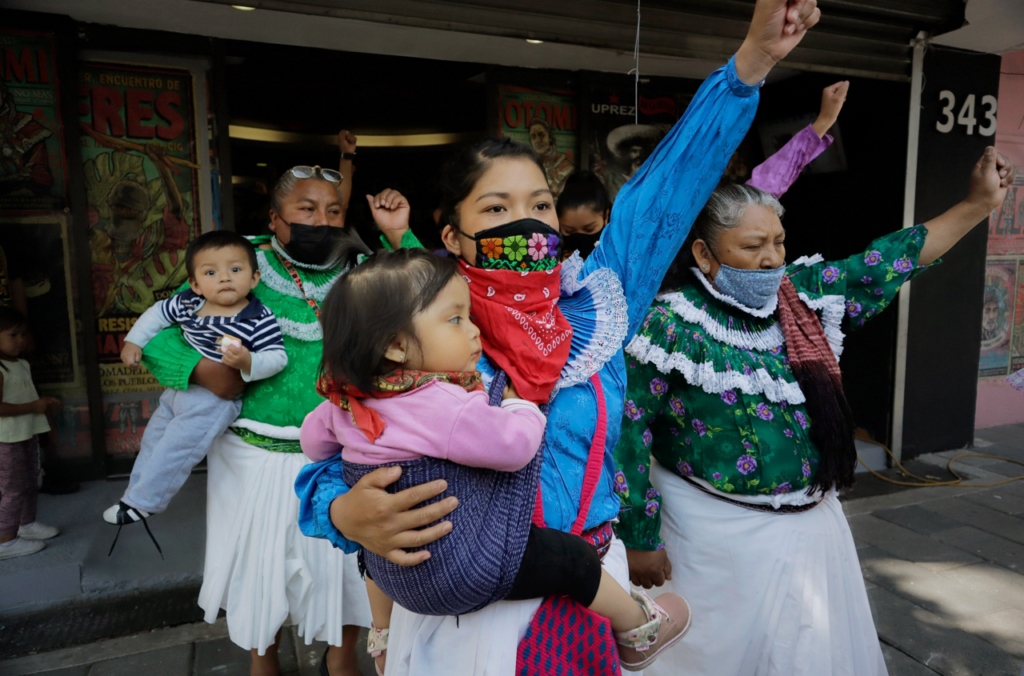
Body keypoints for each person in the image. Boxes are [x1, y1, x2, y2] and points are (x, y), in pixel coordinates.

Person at [296, 2, 823, 673]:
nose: (527, 224)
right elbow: (329, 454)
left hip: (589, 594)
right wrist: (346, 516)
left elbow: (664, 192)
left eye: (539, 205)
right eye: (496, 209)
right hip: (464, 615)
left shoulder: (598, 301)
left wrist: (751, 63)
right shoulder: (421, 325)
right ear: (451, 235)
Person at [613, 147, 1016, 676]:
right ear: (704, 254)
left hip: (813, 528)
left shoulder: (802, 296)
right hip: (709, 539)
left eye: (779, 242)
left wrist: (977, 204)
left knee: (812, 652)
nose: (772, 259)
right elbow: (627, 431)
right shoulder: (667, 324)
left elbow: (886, 263)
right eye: (753, 246)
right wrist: (640, 537)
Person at [302, 248, 690, 674]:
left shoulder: (347, 401)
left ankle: (383, 636)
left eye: (469, 316)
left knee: (378, 533)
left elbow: (314, 445)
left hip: (401, 581)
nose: (473, 332)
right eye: (455, 320)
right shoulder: (444, 404)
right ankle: (639, 628)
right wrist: (520, 407)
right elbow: (515, 447)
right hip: (469, 567)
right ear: (396, 345)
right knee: (573, 559)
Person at [140, 166, 416, 676]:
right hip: (252, 451)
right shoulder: (238, 263)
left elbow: (426, 297)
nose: (322, 220)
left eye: (333, 211)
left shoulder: (361, 268)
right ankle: (262, 660)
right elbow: (161, 334)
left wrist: (398, 234)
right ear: (275, 218)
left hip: (341, 450)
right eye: (306, 210)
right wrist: (201, 371)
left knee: (344, 566)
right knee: (257, 568)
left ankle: (342, 659)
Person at [102, 232, 287, 546]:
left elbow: (277, 357)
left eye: (236, 270)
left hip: (213, 401)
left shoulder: (259, 317)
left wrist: (248, 361)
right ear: (196, 283)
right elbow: (157, 314)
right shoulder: (189, 301)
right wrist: (134, 341)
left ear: (254, 277)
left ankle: (145, 503)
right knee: (153, 441)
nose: (225, 278)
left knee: (177, 448)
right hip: (180, 390)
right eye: (211, 272)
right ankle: (132, 496)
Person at [0, 308, 62, 560]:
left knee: (29, 482)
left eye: (23, 334)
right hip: (6, 440)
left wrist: (45, 410)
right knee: (12, 489)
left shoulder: (21, 364)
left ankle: (26, 525)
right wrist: (34, 407)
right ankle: (5, 540)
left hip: (26, 434)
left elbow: (28, 396)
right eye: (12, 335)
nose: (20, 340)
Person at [556, 171, 611, 259]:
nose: (580, 238)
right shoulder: (553, 260)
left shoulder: (621, 258)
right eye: (569, 231)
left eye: (589, 229)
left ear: (606, 216)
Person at [528, 117, 575, 198]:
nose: (538, 140)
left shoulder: (564, 163)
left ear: (549, 137)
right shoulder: (528, 165)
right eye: (533, 137)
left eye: (541, 135)